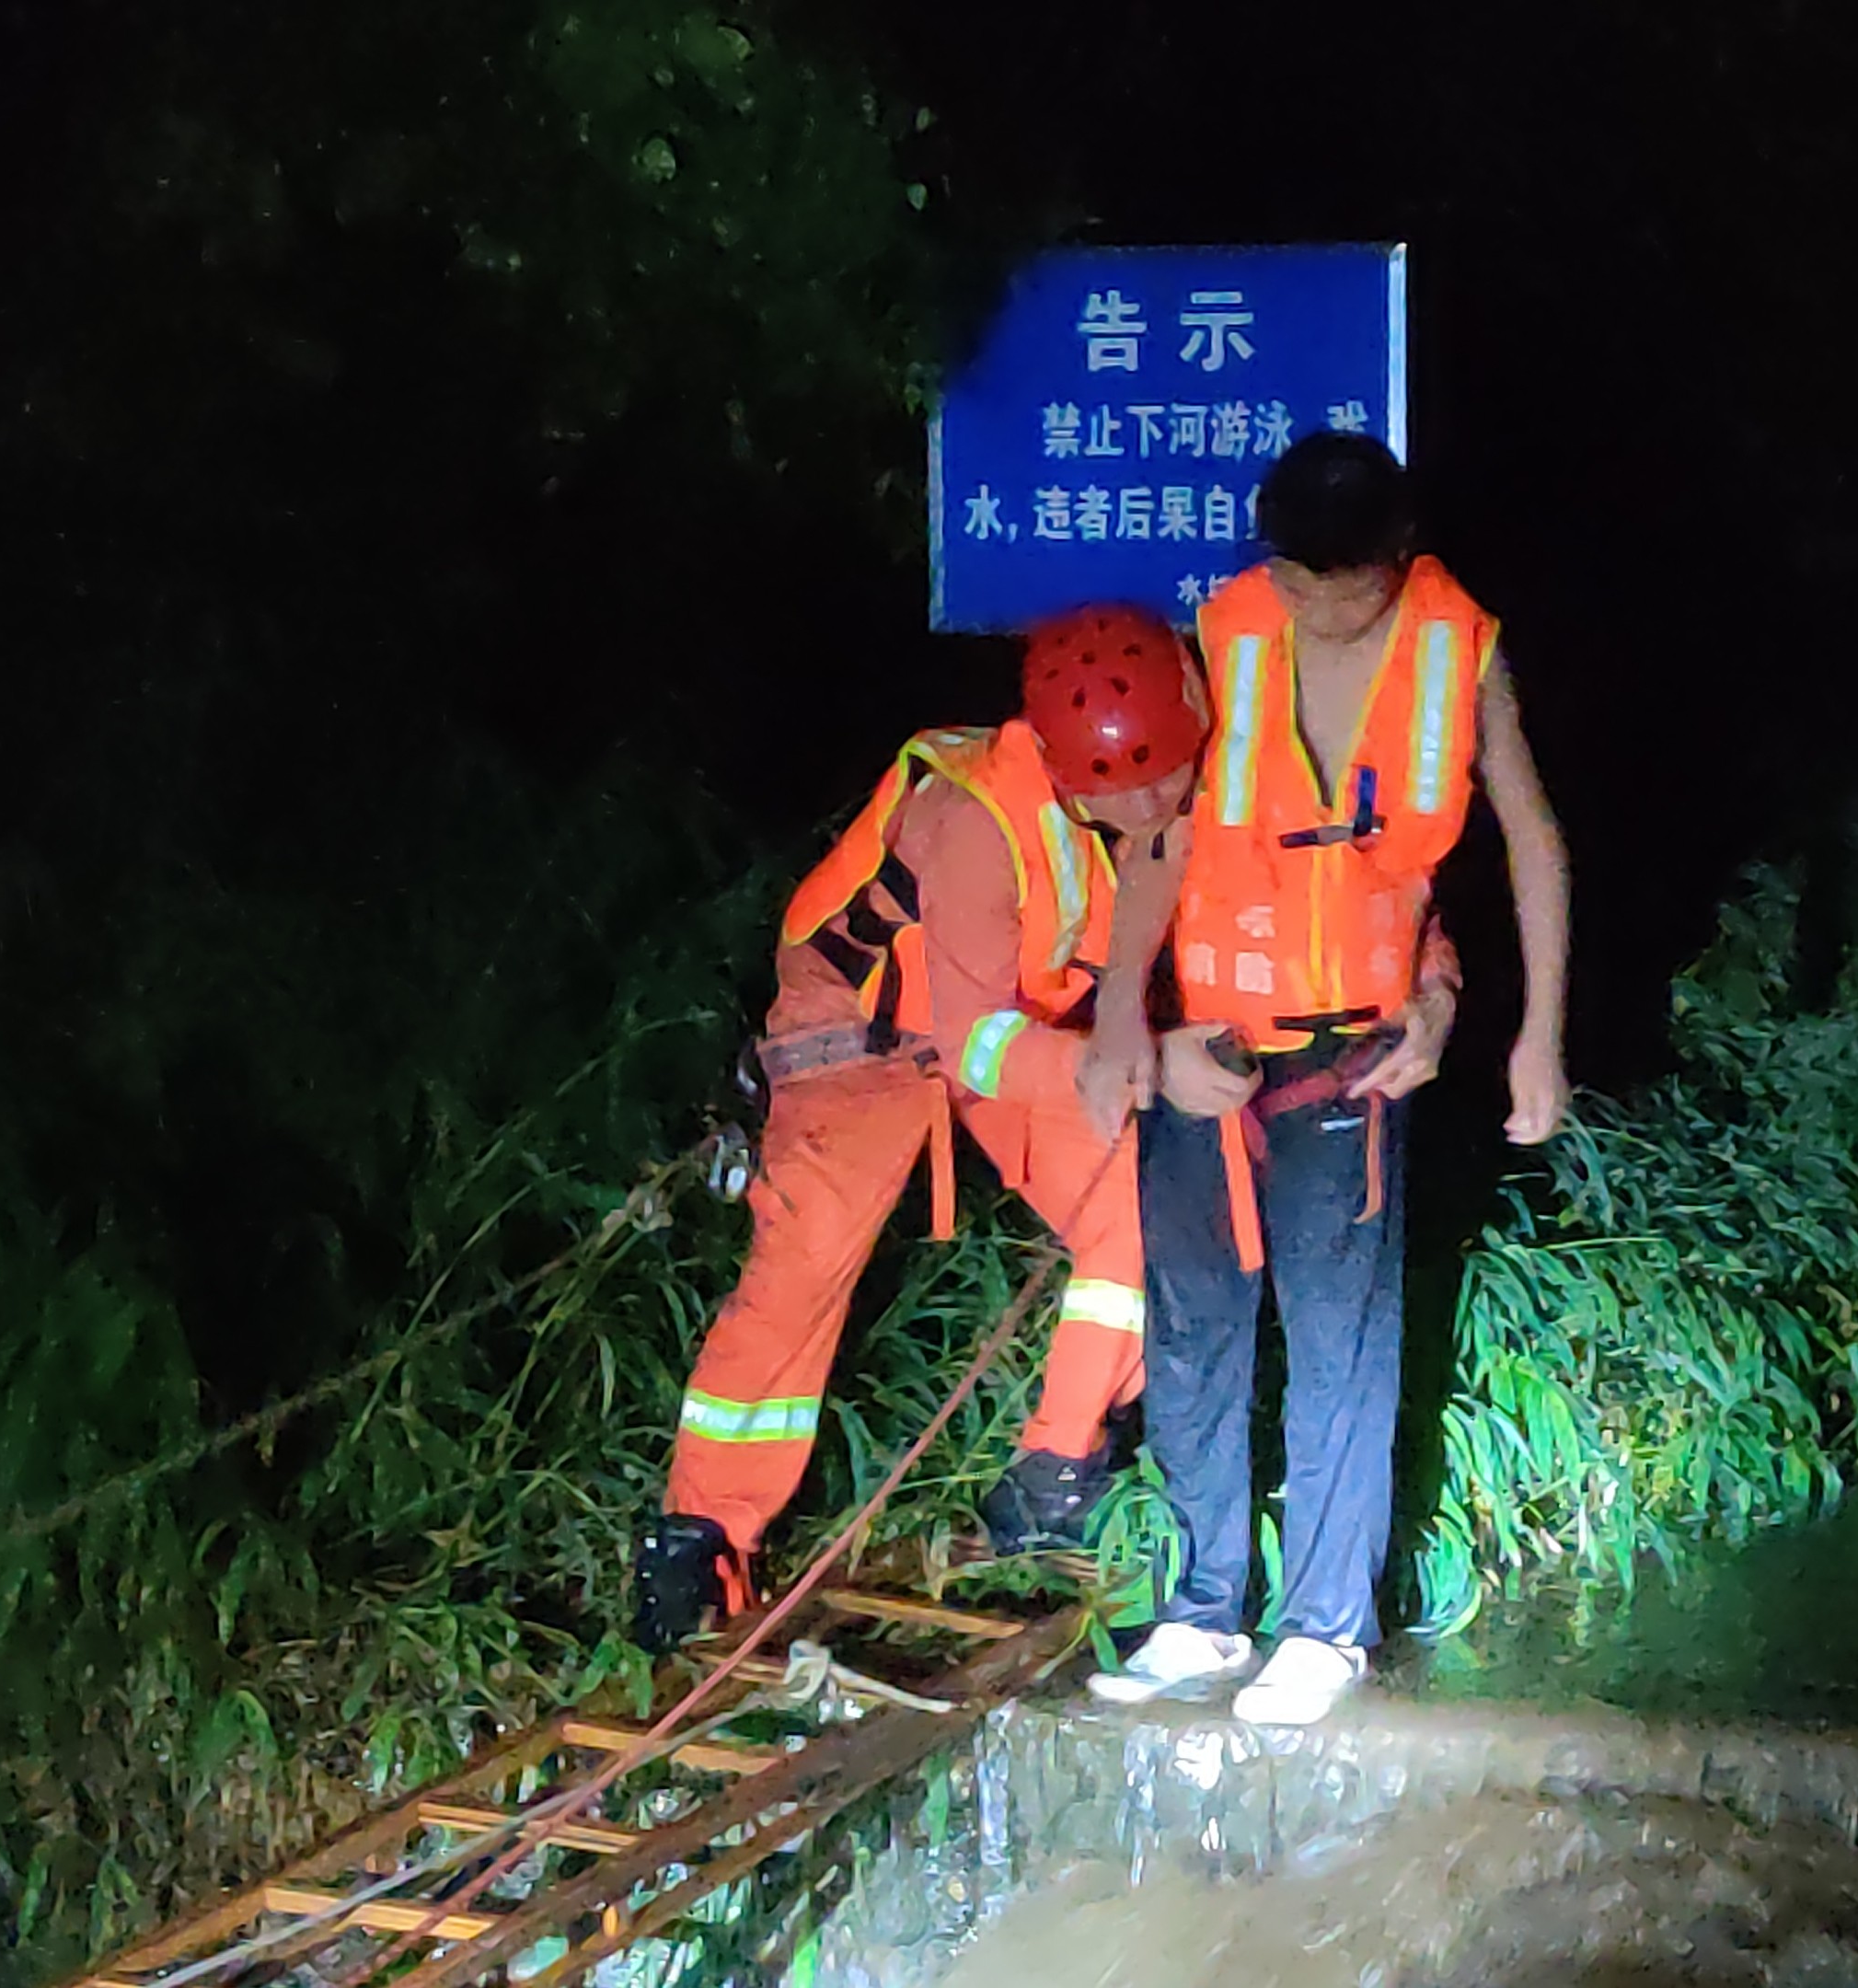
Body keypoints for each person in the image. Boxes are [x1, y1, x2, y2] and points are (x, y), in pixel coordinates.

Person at [1080, 433, 1573, 1724]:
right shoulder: (1228, 629)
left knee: (1340, 1342)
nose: (1314, 608)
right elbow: (1161, 832)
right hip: (1209, 1048)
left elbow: (1532, 840)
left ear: (1398, 562)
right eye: (1295, 581)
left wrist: (1536, 1033)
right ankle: (1199, 1613)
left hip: (1353, 1053)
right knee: (1192, 1333)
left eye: (1342, 589)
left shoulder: (1461, 652)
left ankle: (1325, 1630)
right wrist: (1122, 1017)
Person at [629, 605, 1208, 1651]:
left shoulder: (1180, 785)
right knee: (801, 1269)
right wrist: (1124, 1066)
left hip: (1026, 1024)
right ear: (1076, 776)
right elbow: (979, 1043)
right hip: (859, 1035)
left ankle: (1057, 1469)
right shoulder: (975, 823)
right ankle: (700, 1539)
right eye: (1133, 790)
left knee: (1140, 1212)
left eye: (1172, 775)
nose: (1161, 803)